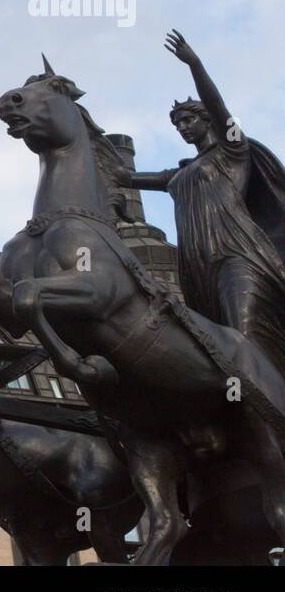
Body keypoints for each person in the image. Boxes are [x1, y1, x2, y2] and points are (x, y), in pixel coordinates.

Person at [122, 30, 285, 374]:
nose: (181, 127)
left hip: (238, 253)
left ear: (206, 120)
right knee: (215, 345)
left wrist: (194, 64)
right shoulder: (179, 174)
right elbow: (123, 178)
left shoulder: (232, 151)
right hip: (196, 266)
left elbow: (218, 105)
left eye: (187, 119)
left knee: (243, 334)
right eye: (177, 123)